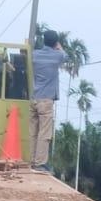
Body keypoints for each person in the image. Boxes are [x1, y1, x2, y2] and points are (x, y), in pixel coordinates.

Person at [30, 30, 69, 167]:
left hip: (33, 98)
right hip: (46, 100)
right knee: (44, 133)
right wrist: (59, 47)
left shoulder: (34, 55)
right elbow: (66, 56)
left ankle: (30, 160)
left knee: (32, 132)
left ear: (43, 41)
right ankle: (40, 163)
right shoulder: (57, 56)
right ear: (55, 42)